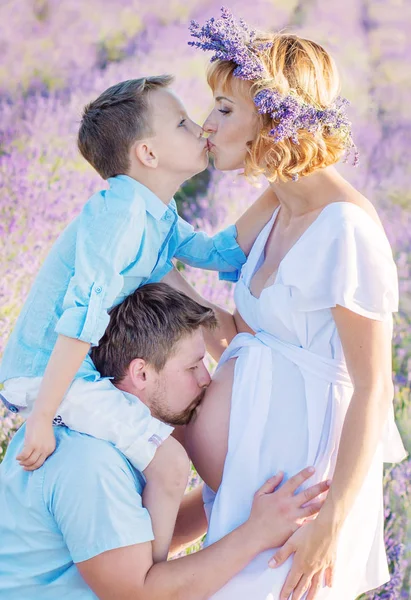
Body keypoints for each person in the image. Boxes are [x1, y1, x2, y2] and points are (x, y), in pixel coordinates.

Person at [175, 8, 408, 600]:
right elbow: (240, 330)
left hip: (302, 497)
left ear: (275, 117)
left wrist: (330, 527)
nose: (207, 123)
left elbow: (373, 387)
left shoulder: (346, 230)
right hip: (252, 491)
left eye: (226, 109)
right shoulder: (275, 205)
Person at [0, 75, 273, 563]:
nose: (201, 127)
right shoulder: (121, 217)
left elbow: (216, 250)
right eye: (183, 123)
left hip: (74, 369)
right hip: (46, 373)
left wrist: (286, 177)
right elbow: (80, 317)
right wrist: (42, 415)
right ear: (148, 154)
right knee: (169, 463)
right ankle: (153, 580)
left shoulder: (156, 213)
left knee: (176, 447)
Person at [0, 283, 331, 600]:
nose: (205, 379)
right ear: (141, 374)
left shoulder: (113, 438)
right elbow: (139, 594)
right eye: (192, 366)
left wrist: (233, 492)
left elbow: (131, 540)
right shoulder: (91, 463)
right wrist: (256, 534)